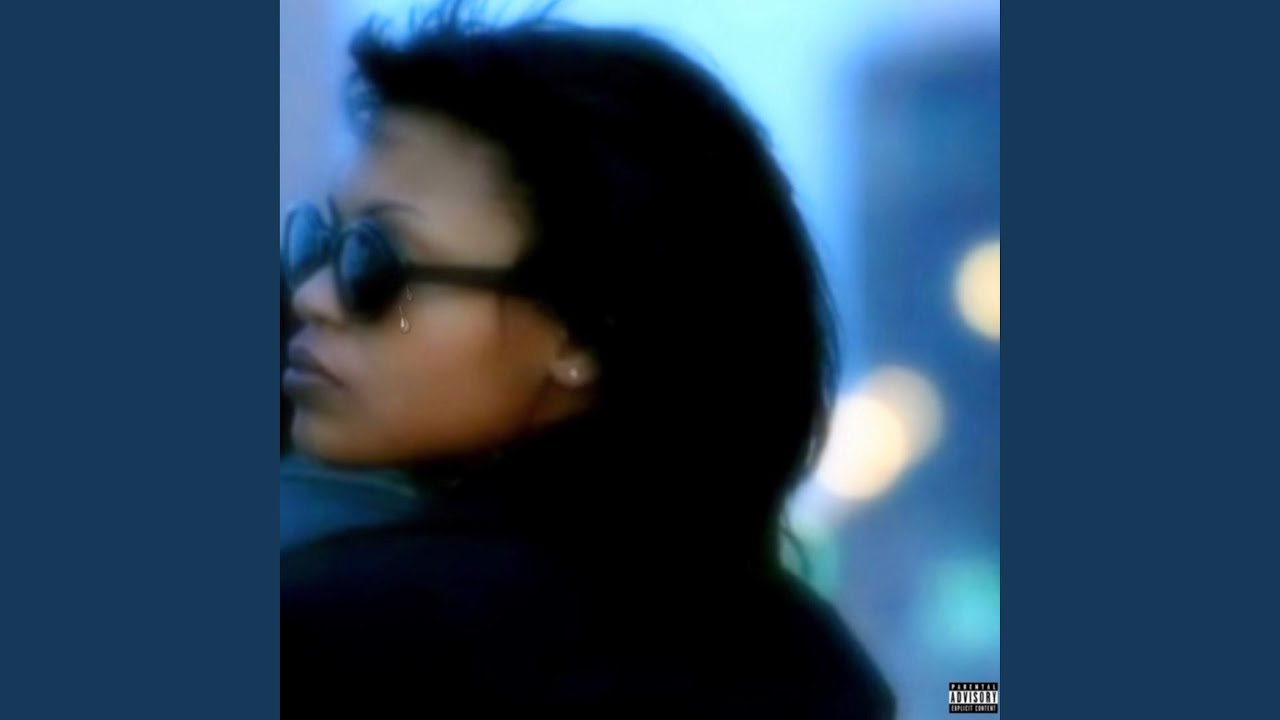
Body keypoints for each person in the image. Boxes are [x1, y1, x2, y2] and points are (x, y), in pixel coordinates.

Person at [281, 2, 894, 716]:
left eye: (374, 262)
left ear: (579, 328)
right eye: (318, 241)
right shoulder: (816, 665)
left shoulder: (343, 639)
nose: (313, 297)